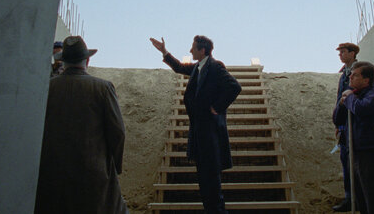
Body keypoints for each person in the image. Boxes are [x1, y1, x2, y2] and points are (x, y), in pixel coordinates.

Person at [35, 36, 128, 214]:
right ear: (87, 60)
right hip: (93, 174)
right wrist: (114, 165)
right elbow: (118, 132)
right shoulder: (103, 87)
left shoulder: (47, 88)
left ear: (63, 60)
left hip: (52, 176)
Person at [150, 35, 241, 214]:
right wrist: (163, 51)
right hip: (200, 135)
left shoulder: (214, 67)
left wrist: (217, 107)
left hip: (210, 135)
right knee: (205, 183)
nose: (190, 51)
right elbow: (178, 67)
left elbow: (234, 86)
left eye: (193, 48)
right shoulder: (198, 68)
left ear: (202, 50)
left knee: (212, 185)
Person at [334, 61, 374, 214]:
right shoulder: (353, 96)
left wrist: (349, 98)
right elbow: (337, 119)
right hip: (354, 152)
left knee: (373, 197)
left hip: (369, 153)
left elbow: (362, 109)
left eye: (355, 75)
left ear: (366, 80)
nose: (350, 77)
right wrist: (342, 102)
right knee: (360, 198)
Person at [331, 42, 360, 212]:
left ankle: (358, 199)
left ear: (352, 53)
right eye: (339, 52)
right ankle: (349, 198)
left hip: (355, 124)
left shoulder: (359, 72)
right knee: (346, 162)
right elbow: (338, 99)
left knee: (356, 163)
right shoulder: (344, 75)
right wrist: (338, 122)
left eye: (343, 51)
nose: (340, 54)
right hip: (344, 124)